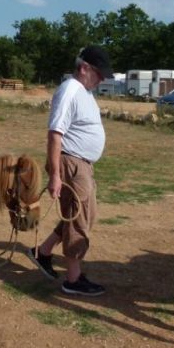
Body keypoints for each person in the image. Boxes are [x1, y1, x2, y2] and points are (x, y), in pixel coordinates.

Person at [26, 45, 114, 296]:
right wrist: (55, 175)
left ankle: (43, 252)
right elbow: (55, 134)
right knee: (79, 218)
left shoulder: (84, 91)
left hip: (81, 164)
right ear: (84, 68)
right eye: (99, 73)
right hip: (71, 163)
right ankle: (73, 279)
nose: (102, 79)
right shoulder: (70, 91)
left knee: (84, 215)